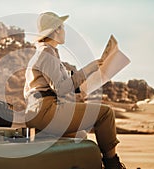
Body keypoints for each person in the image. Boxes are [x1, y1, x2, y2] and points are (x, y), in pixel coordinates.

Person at [24, 12, 126, 169]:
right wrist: (89, 69)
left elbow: (47, 90)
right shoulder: (46, 53)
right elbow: (61, 88)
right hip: (45, 111)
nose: (65, 31)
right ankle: (113, 164)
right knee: (105, 113)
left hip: (38, 111)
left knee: (81, 137)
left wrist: (77, 95)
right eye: (63, 27)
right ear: (56, 30)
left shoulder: (44, 53)